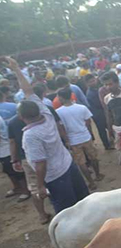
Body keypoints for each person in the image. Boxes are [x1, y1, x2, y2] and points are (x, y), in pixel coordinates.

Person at [6, 57, 89, 214]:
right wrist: (16, 69)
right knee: (82, 200)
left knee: (67, 211)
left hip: (55, 176)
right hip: (68, 164)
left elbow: (40, 163)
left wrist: (40, 185)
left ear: (22, 118)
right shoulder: (46, 113)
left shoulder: (30, 135)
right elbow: (28, 91)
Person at [56, 88, 104, 191]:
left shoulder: (59, 112)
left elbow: (61, 128)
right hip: (85, 136)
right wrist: (89, 133)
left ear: (61, 98)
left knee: (81, 163)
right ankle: (98, 174)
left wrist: (66, 140)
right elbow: (88, 122)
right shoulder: (82, 108)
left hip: (73, 140)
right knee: (93, 157)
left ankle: (91, 182)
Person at [1, 115, 29, 202]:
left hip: (5, 149)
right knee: (8, 170)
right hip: (3, 149)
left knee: (16, 172)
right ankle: (17, 187)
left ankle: (25, 190)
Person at [84, 74, 112, 150]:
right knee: (102, 129)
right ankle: (107, 145)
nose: (93, 82)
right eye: (91, 82)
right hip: (98, 114)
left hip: (100, 111)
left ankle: (109, 142)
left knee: (107, 127)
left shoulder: (96, 89)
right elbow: (100, 103)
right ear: (87, 83)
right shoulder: (91, 93)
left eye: (94, 80)